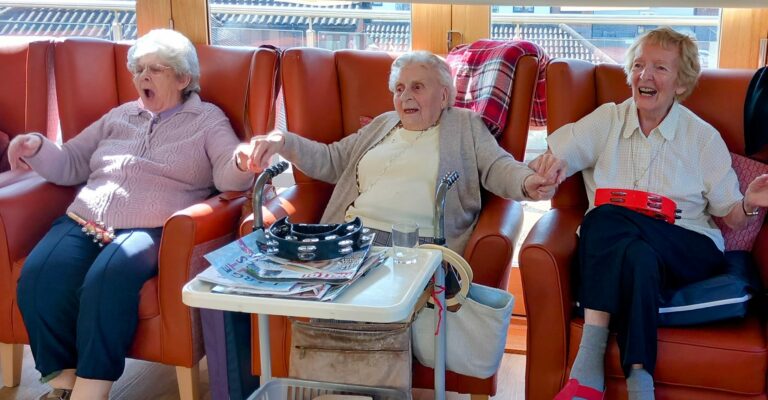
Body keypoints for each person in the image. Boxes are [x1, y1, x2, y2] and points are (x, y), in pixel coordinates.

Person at [9, 29, 256, 400]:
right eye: (138, 69)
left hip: (151, 227)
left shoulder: (207, 119)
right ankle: (62, 383)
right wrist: (37, 147)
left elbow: (226, 172)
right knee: (39, 275)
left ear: (183, 78)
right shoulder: (120, 115)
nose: (143, 77)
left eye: (155, 69)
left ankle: (92, 389)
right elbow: (72, 163)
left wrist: (241, 161)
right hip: (86, 219)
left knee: (107, 280)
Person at [530, 27, 768, 400]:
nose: (645, 76)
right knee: (635, 253)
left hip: (688, 246)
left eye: (660, 68)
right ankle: (640, 380)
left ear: (681, 82)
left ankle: (588, 363)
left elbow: (732, 217)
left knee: (603, 217)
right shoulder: (608, 120)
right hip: (628, 252)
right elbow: (561, 153)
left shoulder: (702, 138)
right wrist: (548, 168)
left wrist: (750, 204)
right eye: (638, 65)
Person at [240, 50, 565, 254]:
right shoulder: (384, 123)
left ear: (444, 95)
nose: (405, 96)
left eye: (417, 87)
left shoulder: (465, 126)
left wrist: (527, 182)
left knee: (372, 310)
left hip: (416, 247)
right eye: (399, 88)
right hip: (350, 240)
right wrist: (282, 141)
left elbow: (498, 167)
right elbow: (331, 160)